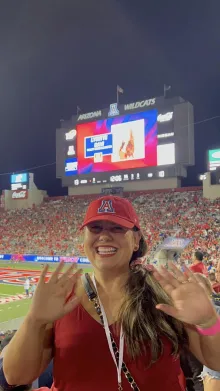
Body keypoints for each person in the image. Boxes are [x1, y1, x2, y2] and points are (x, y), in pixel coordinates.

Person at [3, 196, 220, 391]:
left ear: (136, 240)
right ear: (83, 240)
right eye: (95, 228)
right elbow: (16, 375)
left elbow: (216, 362)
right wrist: (34, 320)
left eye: (117, 228)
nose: (104, 236)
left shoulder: (165, 292)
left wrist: (210, 321)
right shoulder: (62, 297)